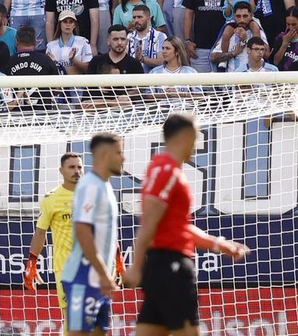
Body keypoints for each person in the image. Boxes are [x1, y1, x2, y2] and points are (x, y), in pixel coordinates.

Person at [128, 112, 249, 336]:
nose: (197, 143)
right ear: (186, 136)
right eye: (195, 136)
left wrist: (218, 244)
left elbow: (177, 226)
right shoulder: (168, 171)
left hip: (160, 266)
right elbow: (149, 220)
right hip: (172, 267)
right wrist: (135, 266)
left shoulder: (160, 167)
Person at [61, 133, 125, 336]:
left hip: (97, 280)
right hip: (83, 278)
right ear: (105, 155)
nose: (124, 158)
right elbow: (82, 230)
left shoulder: (105, 186)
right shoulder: (90, 186)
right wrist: (103, 273)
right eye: (119, 153)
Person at [26, 150, 83, 321]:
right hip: (65, 268)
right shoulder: (51, 198)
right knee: (72, 319)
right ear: (61, 170)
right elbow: (40, 231)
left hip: (92, 267)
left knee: (92, 320)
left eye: (79, 167)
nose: (77, 171)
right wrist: (31, 263)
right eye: (71, 167)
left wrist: (116, 259)